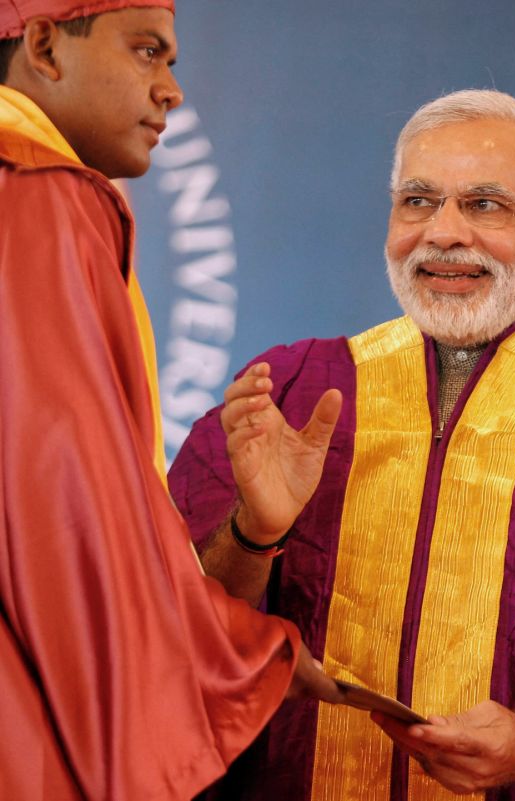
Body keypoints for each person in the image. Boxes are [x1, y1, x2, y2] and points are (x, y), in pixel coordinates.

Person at [168, 89, 515, 801]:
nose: (444, 234)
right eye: (418, 201)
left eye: (485, 205)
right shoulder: (294, 389)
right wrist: (254, 532)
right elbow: (170, 629)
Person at [0, 3, 341, 800]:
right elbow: (65, 504)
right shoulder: (42, 197)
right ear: (45, 44)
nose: (171, 91)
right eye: (147, 51)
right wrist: (234, 651)